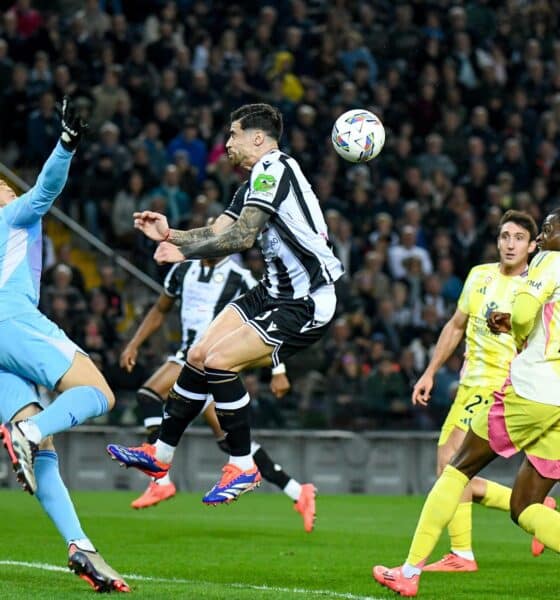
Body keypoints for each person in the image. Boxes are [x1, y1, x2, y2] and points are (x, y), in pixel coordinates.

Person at [107, 103, 343, 507]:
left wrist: (184, 254)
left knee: (219, 362)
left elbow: (243, 238)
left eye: (233, 134)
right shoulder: (254, 180)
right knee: (197, 354)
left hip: (305, 300)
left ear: (257, 137)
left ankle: (243, 465)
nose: (227, 142)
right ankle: (159, 456)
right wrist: (172, 234)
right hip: (273, 291)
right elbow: (219, 229)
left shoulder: (275, 169)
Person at [373, 208, 560, 597]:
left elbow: (526, 314)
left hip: (519, 388)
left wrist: (517, 321)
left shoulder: (544, 266)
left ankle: (416, 567)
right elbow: (457, 324)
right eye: (506, 235)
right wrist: (430, 371)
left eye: (543, 231)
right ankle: (459, 550)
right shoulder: (479, 276)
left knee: (454, 470)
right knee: (525, 505)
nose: (537, 238)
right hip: (541, 396)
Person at [0, 97, 128, 592]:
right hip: (13, 319)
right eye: (5, 187)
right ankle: (27, 434)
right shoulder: (12, 217)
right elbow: (46, 190)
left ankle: (80, 547)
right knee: (99, 392)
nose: (12, 190)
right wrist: (68, 142)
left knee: (45, 448)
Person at [118, 246, 316, 531]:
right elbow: (160, 309)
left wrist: (278, 369)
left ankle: (159, 478)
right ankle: (298, 491)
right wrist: (135, 343)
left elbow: (273, 319)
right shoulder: (182, 270)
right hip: (190, 355)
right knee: (230, 441)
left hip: (214, 360)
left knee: (149, 395)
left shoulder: (242, 277)